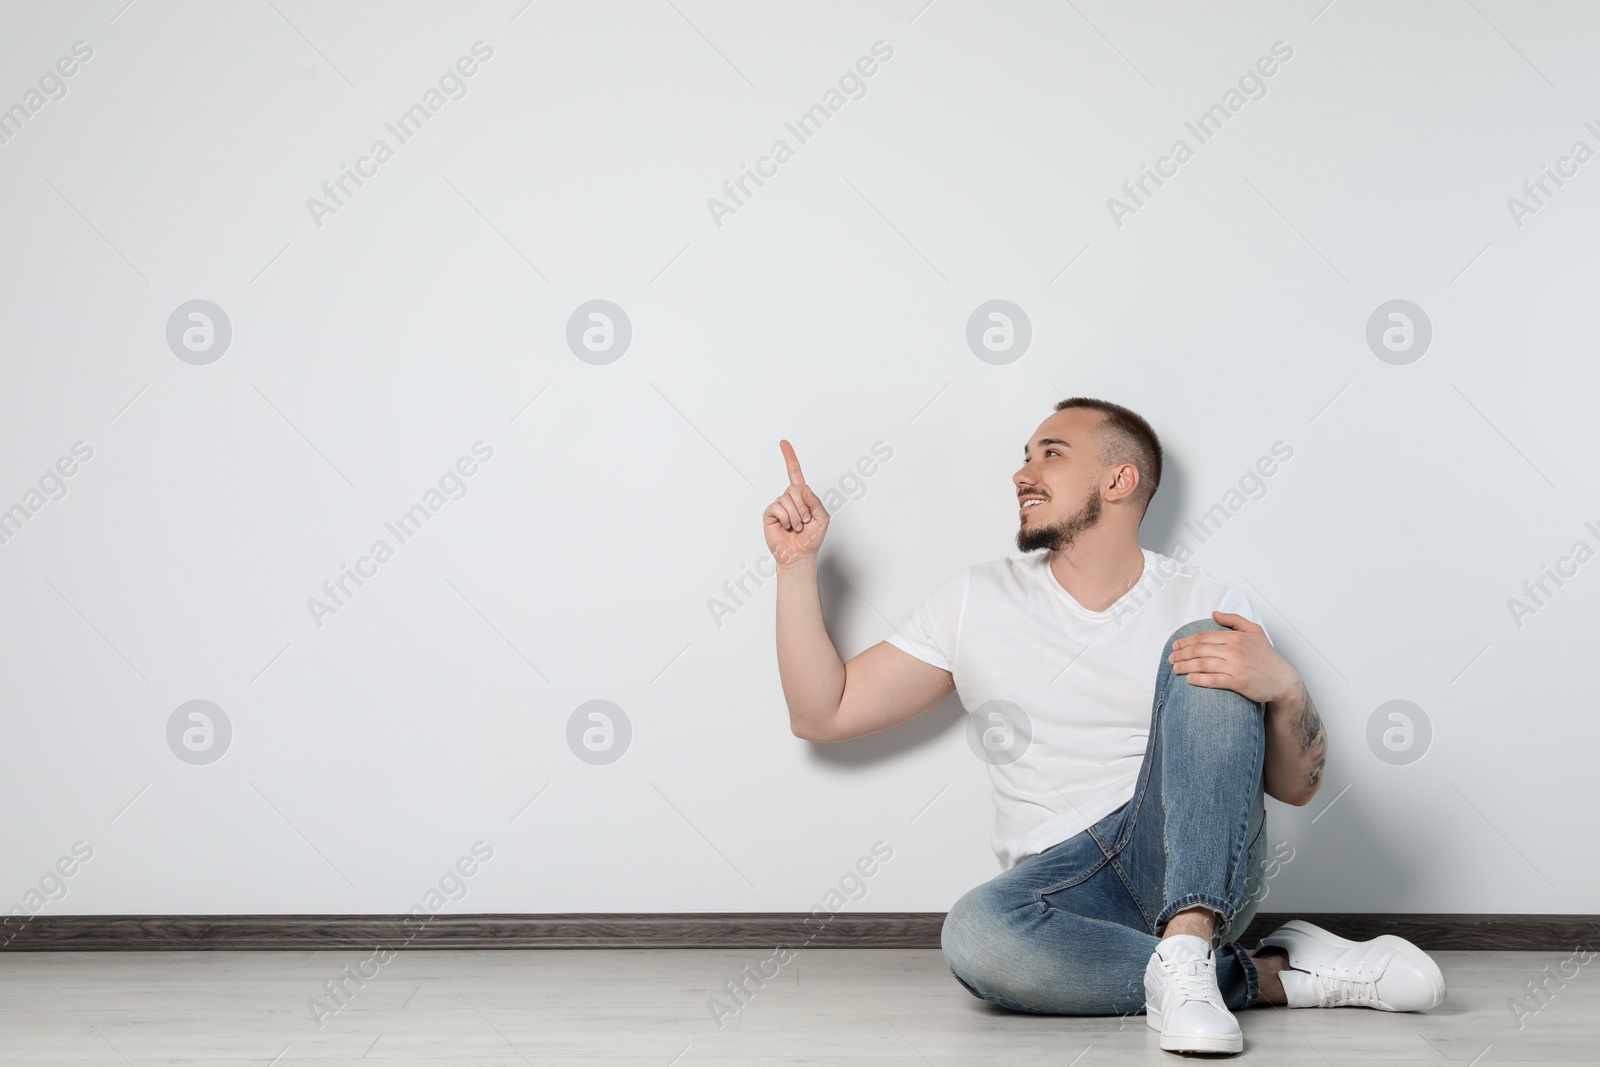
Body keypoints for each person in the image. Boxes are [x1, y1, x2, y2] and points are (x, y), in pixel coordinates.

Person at [768, 397, 1446, 1055]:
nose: (1023, 472)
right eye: (1026, 455)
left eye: (1051, 453)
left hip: (1187, 853)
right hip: (1062, 891)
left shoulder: (1206, 597)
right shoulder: (975, 596)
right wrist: (796, 568)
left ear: (1119, 480)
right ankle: (1266, 973)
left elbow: (1295, 788)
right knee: (977, 935)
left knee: (1204, 642)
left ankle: (1191, 937)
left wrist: (1287, 688)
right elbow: (823, 712)